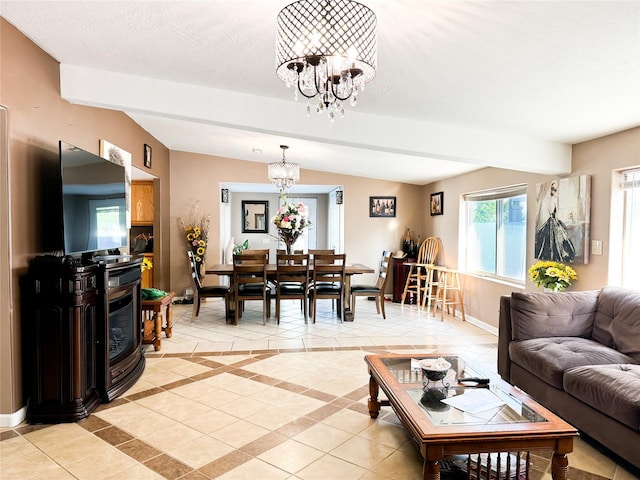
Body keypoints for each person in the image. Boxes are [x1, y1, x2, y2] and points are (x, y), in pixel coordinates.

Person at [534, 182, 575, 262]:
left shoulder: (549, 200)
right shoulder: (554, 200)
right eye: (553, 189)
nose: (554, 191)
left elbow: (550, 211)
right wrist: (557, 220)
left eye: (554, 190)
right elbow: (556, 212)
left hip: (551, 220)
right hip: (553, 220)